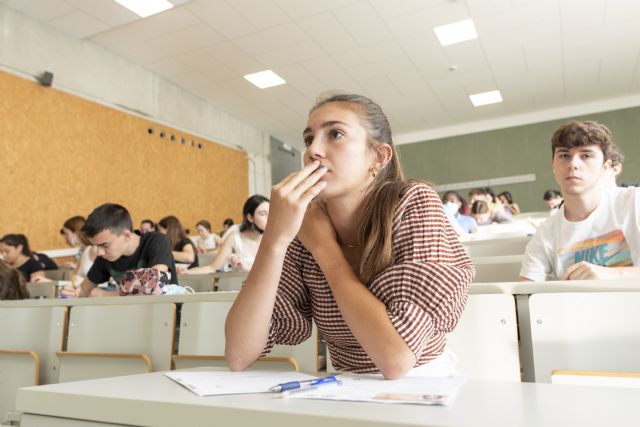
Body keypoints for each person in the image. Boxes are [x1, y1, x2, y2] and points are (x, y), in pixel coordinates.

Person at [225, 94, 474, 379]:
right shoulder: (303, 224)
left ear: (378, 157)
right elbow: (239, 353)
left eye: (335, 134)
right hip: (343, 387)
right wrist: (275, 239)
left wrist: (325, 248)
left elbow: (395, 359)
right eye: (308, 139)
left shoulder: (413, 201)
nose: (313, 151)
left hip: (423, 384)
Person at [519, 121, 640, 281]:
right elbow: (523, 292)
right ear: (553, 164)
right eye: (564, 155)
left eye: (586, 155)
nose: (573, 164)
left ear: (605, 166)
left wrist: (612, 274)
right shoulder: (546, 233)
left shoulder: (633, 202)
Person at [60, 203, 177, 297]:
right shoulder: (105, 256)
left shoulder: (156, 240)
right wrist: (73, 292)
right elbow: (83, 290)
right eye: (95, 246)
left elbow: (154, 285)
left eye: (104, 245)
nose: (99, 252)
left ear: (126, 235)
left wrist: (106, 295)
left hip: (165, 317)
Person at [183, 195, 269, 274]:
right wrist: (187, 272)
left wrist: (246, 268)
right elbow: (213, 267)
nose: (269, 217)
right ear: (250, 217)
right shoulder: (234, 238)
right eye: (263, 214)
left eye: (271, 213)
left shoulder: (274, 239)